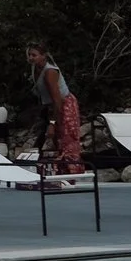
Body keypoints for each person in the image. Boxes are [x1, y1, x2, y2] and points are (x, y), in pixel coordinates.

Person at [27, 44, 84, 175]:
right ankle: (59, 171)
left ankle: (72, 173)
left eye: (34, 55)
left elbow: (57, 100)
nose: (31, 58)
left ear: (43, 56)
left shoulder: (50, 72)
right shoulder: (35, 69)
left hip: (64, 105)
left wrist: (52, 123)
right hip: (50, 106)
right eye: (29, 55)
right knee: (55, 140)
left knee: (67, 139)